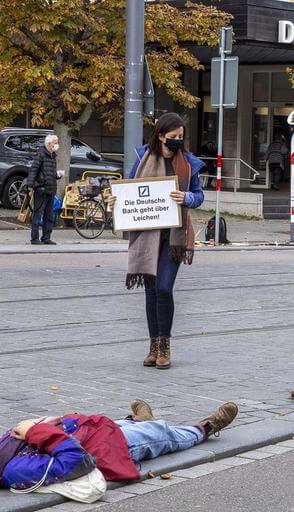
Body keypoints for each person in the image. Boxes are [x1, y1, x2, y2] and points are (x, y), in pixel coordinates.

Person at [0, 400, 238, 497]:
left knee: (143, 427)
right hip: (109, 449)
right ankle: (205, 427)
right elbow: (75, 461)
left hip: (93, 429)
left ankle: (140, 419)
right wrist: (37, 429)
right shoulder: (14, 471)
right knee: (165, 437)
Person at [126, 113, 205, 369]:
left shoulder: (189, 162)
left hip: (175, 236)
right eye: (172, 137)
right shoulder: (142, 158)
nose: (177, 141)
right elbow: (128, 189)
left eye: (180, 137)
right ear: (160, 136)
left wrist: (187, 199)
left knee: (163, 288)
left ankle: (165, 345)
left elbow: (199, 195)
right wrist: (117, 202)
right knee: (150, 291)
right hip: (148, 234)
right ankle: (153, 345)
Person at [27, 134, 64, 245]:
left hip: (51, 189)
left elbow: (50, 173)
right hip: (42, 189)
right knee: (38, 214)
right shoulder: (41, 154)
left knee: (49, 215)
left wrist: (58, 175)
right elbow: (34, 169)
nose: (57, 145)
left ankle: (46, 237)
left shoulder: (53, 156)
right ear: (49, 144)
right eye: (55, 142)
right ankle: (34, 239)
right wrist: (30, 185)